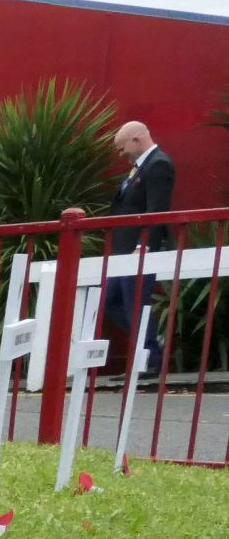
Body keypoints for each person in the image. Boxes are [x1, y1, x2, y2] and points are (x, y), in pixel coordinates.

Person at [105, 121, 174, 379]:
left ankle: (148, 358)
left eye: (122, 149)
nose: (120, 155)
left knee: (135, 305)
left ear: (136, 139)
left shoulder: (158, 165)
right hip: (123, 251)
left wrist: (142, 245)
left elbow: (156, 211)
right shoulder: (139, 167)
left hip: (139, 251)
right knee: (110, 302)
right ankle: (151, 346)